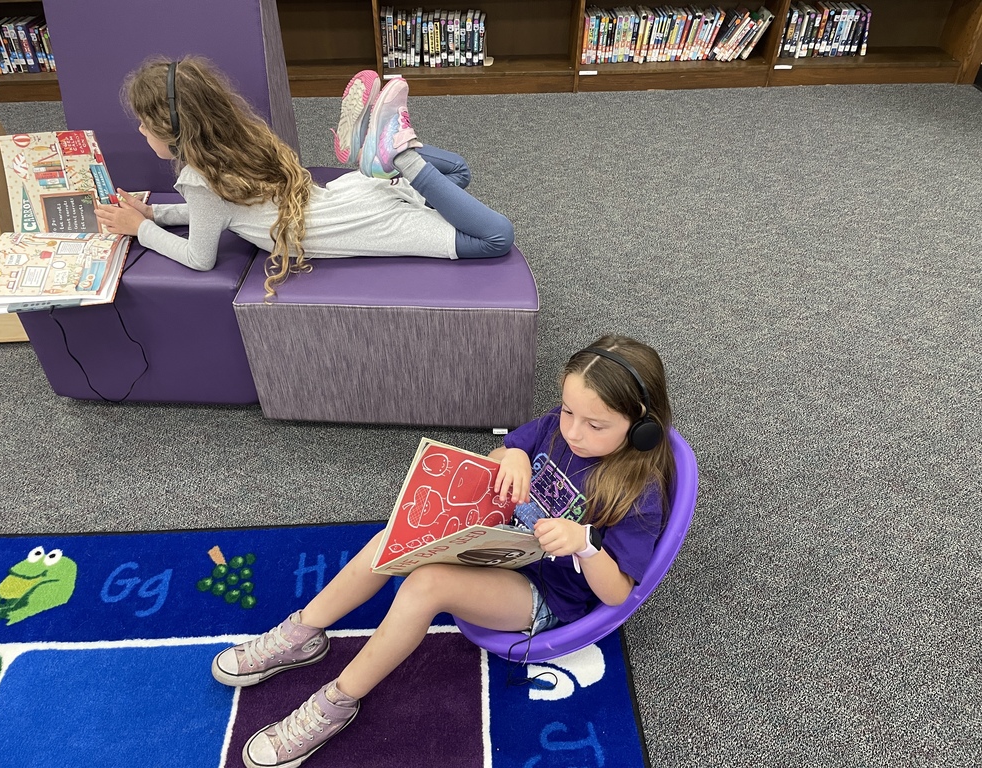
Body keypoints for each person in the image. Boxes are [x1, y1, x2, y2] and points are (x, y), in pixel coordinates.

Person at [210, 335, 677, 768]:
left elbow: (618, 594)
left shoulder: (639, 491)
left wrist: (585, 544)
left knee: (425, 586)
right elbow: (501, 457)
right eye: (568, 411)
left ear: (642, 427)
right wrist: (511, 456)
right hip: (501, 548)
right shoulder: (557, 426)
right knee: (394, 538)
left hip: (549, 596)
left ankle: (336, 702)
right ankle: (303, 632)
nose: (573, 431)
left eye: (595, 425)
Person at [94, 57, 514, 297]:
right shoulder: (240, 138)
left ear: (172, 130)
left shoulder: (199, 179)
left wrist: (141, 229)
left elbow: (199, 258)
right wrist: (156, 212)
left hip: (351, 225)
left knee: (495, 238)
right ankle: (378, 152)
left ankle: (396, 153)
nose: (141, 130)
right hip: (340, 198)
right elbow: (215, 214)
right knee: (458, 171)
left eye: (145, 124)